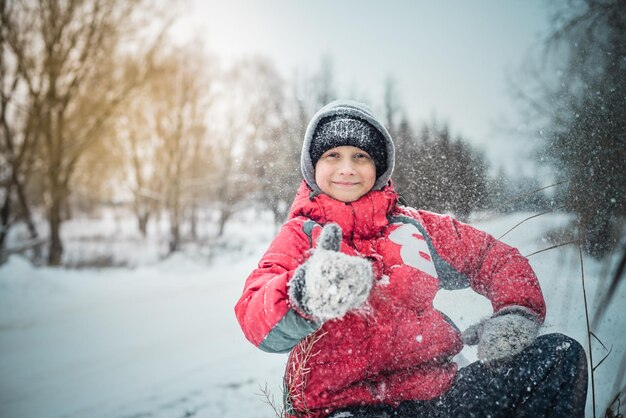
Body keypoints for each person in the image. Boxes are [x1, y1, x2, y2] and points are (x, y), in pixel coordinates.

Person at [235, 99, 588, 417]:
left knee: (558, 356)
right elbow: (255, 314)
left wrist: (516, 310)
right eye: (333, 156)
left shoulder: (414, 226)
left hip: (437, 399)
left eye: (360, 156)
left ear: (379, 165)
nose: (347, 168)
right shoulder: (300, 235)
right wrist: (307, 293)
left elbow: (490, 256)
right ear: (313, 166)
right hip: (343, 406)